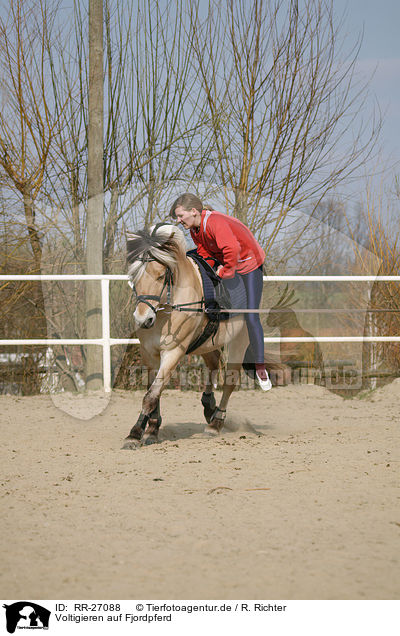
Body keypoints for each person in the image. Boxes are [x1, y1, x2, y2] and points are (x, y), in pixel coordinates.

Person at [169, 192, 272, 391]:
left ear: (194, 211)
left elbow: (231, 249)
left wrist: (226, 270)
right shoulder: (195, 229)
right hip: (228, 260)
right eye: (178, 217)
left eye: (181, 216)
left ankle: (259, 367)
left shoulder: (214, 222)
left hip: (249, 264)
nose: (179, 220)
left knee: (251, 316)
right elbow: (204, 252)